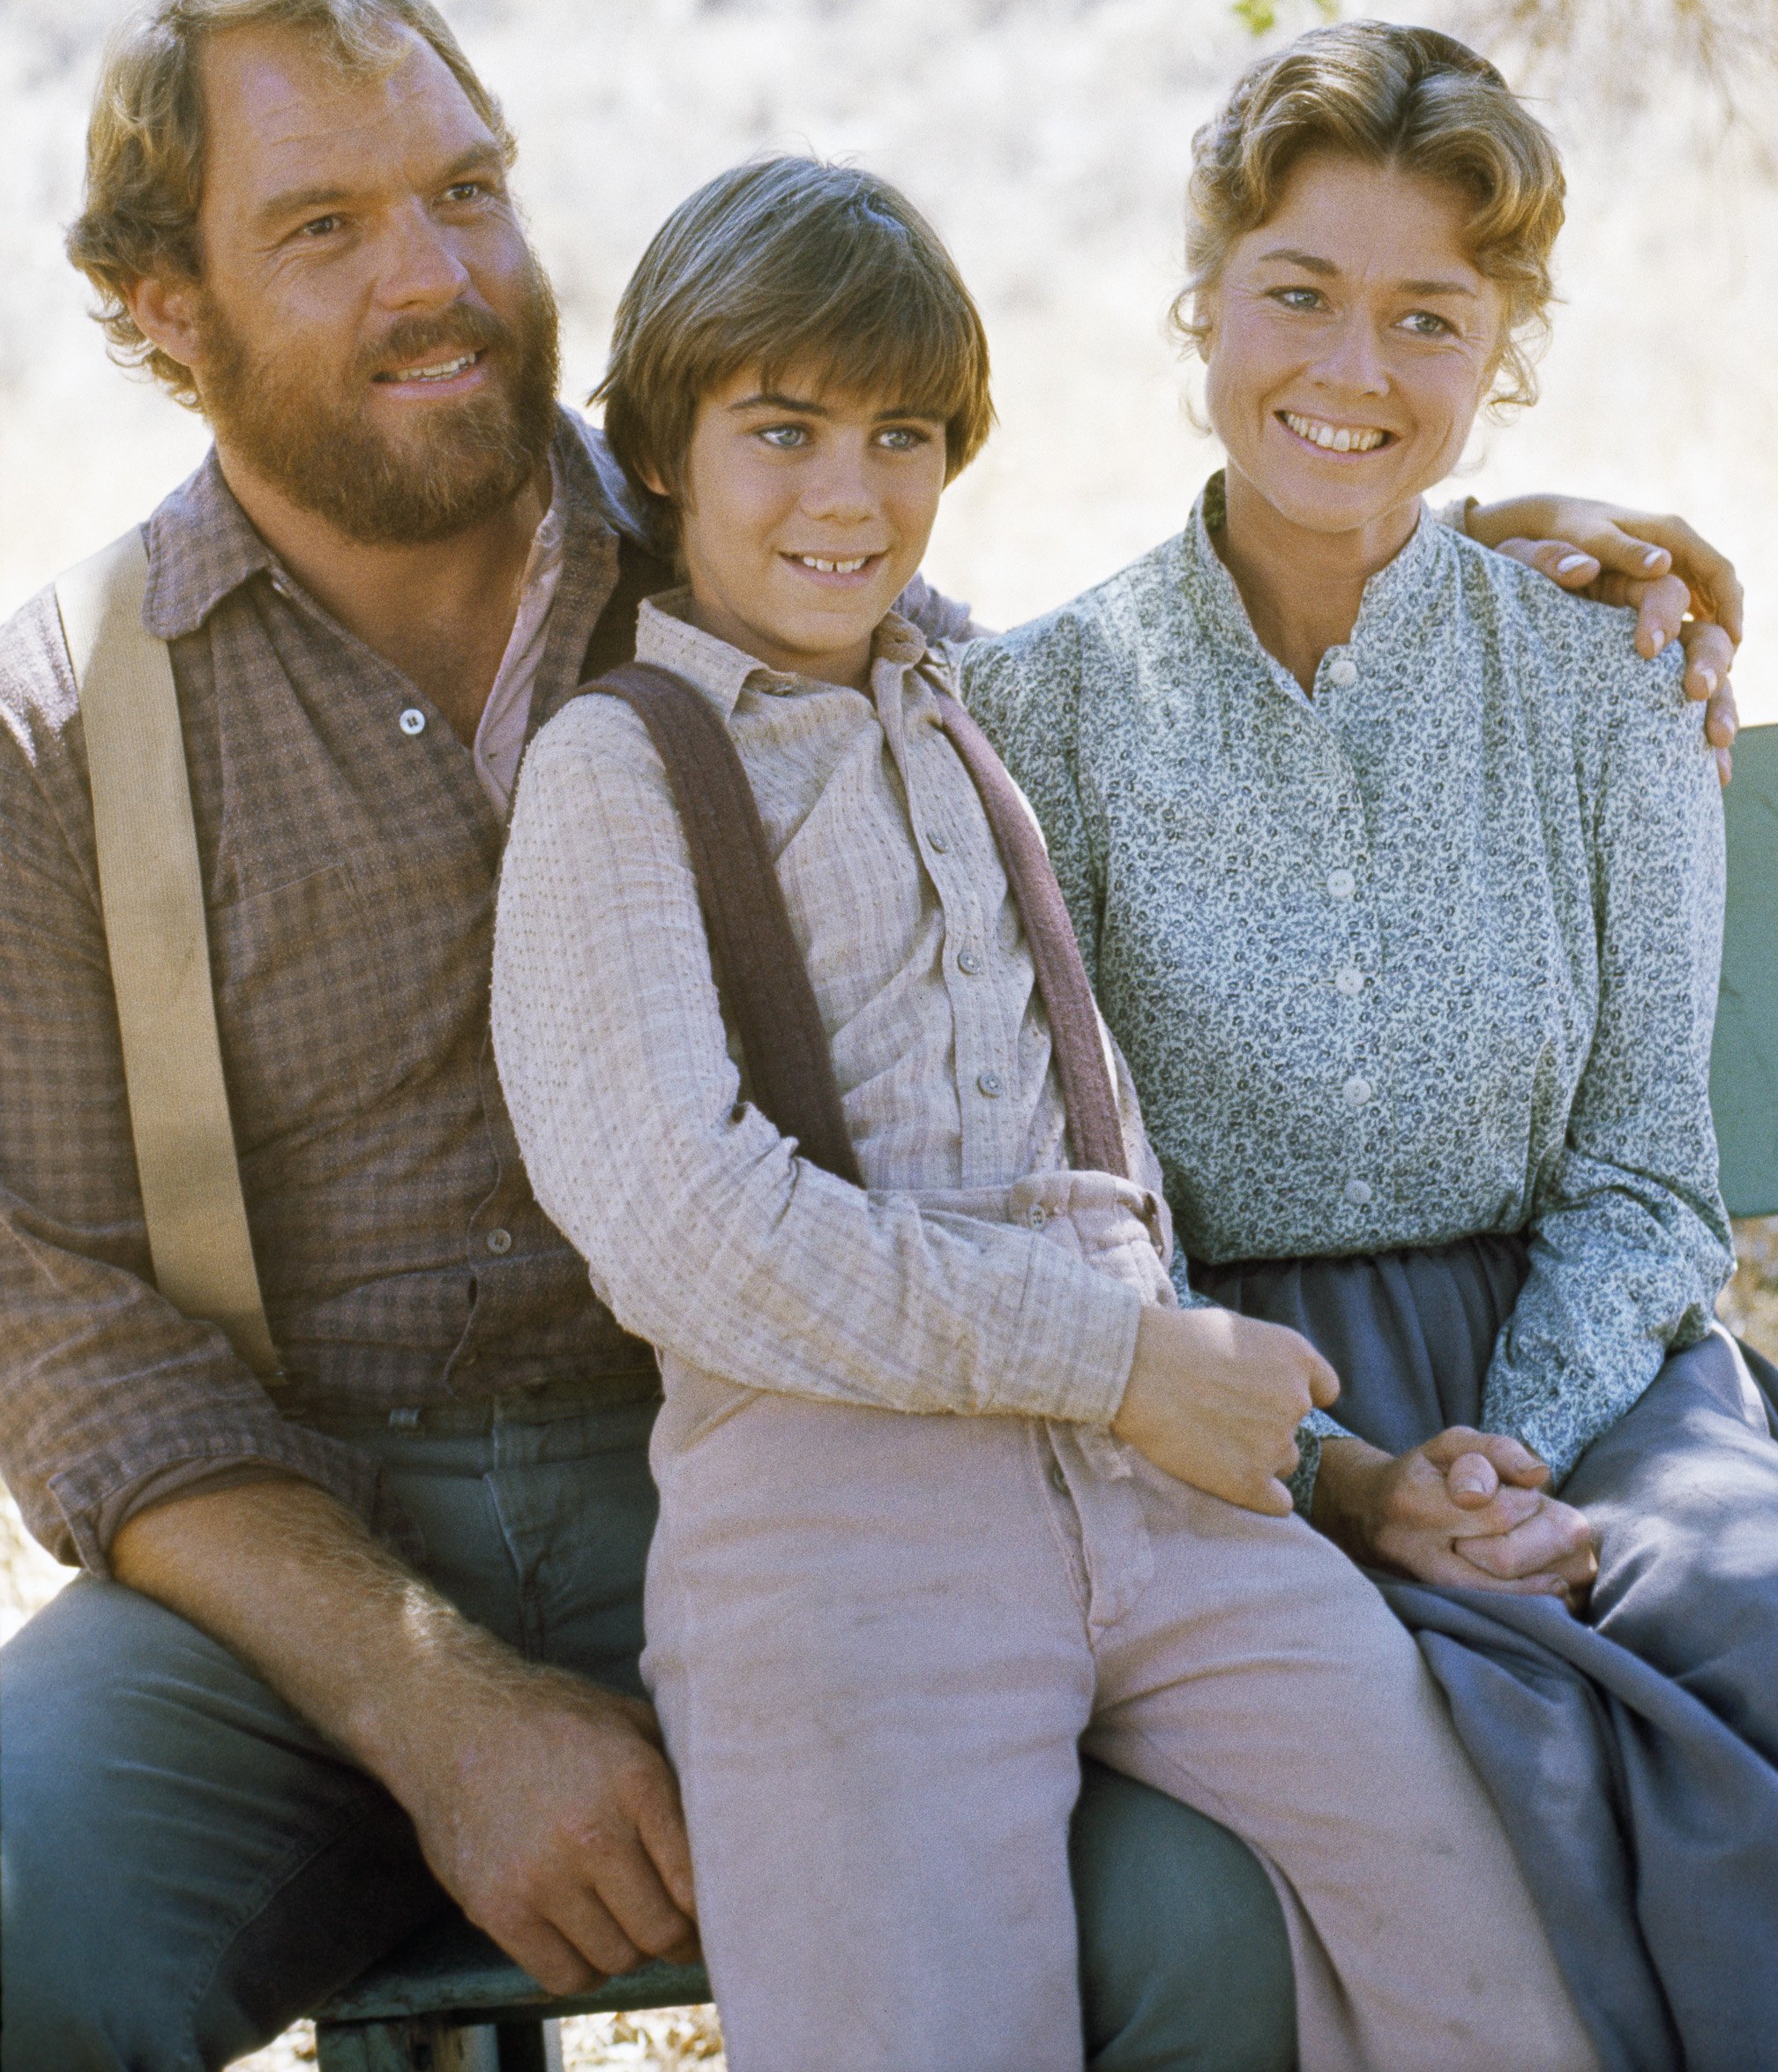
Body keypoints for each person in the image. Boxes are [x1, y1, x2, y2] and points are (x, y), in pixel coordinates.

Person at [0, 0, 1735, 2072]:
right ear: (161, 305)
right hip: (321, 1538)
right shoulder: (72, 724)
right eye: (325, 225)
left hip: (881, 1442)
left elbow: (1146, 741)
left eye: (469, 190)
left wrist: (1445, 548)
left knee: (1215, 1930)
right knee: (20, 1917)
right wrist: (426, 1695)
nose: (435, 271)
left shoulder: (804, 586)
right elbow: (55, 1320)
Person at [490, 153, 1603, 2072]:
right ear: (662, 449)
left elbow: (1251, 637)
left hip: (1170, 1497)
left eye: (902, 435)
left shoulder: (968, 705)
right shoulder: (618, 771)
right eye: (783, 432)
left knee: (1491, 1966)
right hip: (846, 1531)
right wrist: (1115, 1365)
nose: (850, 495)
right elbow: (683, 1222)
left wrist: (1333, 1474)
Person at [961, 21, 1778, 2065]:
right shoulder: (1043, 714)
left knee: (1749, 1644)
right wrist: (1348, 1476)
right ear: (1203, 302)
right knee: (1428, 1763)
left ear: (1501, 354)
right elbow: (1074, 1206)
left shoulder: (1609, 680)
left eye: (1430, 319)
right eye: (1300, 297)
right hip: (1229, 1415)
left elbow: (1651, 1179)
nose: (1351, 372)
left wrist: (1507, 1447)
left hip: (1595, 1371)